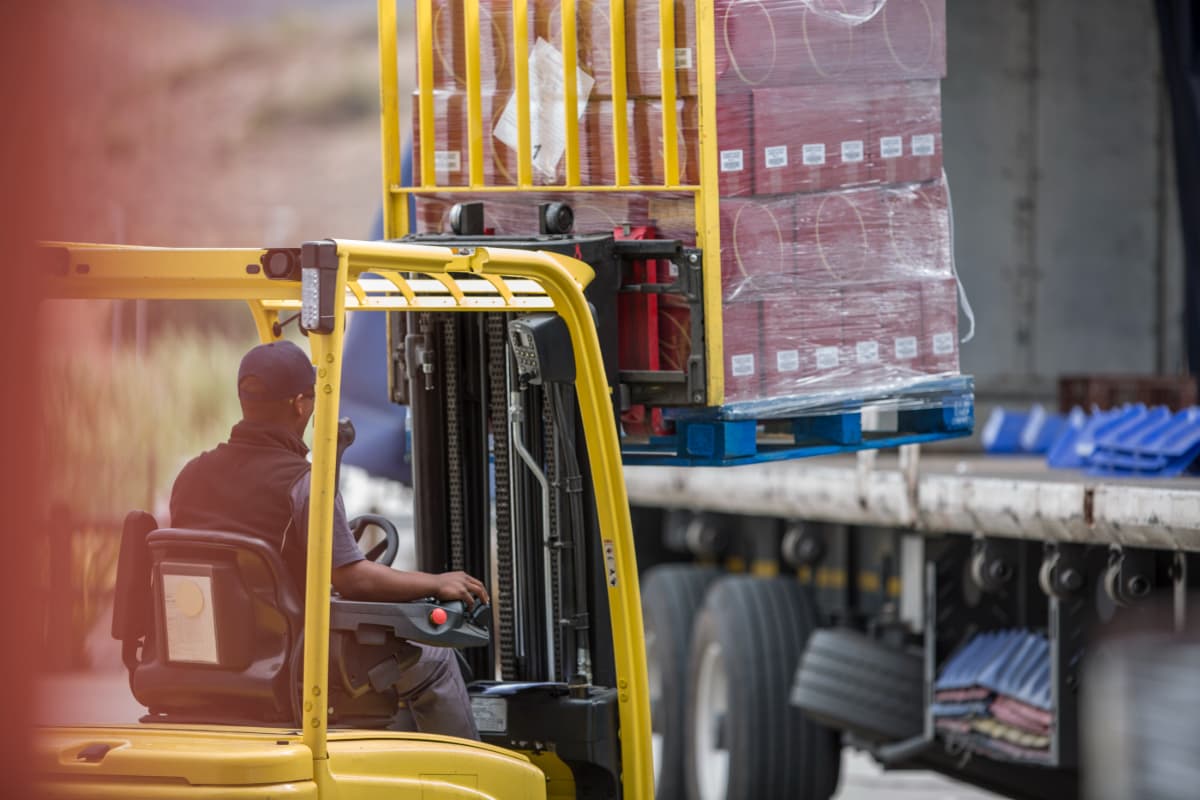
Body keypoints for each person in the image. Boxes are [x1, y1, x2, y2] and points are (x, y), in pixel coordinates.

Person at [170, 339, 486, 740]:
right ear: (301, 404)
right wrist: (437, 582)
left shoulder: (191, 476)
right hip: (287, 660)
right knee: (436, 657)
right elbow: (352, 579)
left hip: (205, 655)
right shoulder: (305, 485)